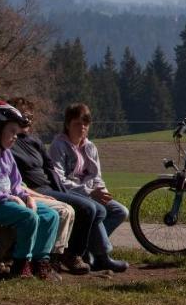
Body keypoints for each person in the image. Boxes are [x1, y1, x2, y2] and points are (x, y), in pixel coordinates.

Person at [6, 97, 108, 276]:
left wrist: (62, 190)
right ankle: (72, 255)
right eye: (23, 115)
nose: (27, 120)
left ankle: (89, 253)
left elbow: (50, 168)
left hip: (50, 188)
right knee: (87, 208)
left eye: (30, 116)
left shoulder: (33, 141)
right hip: (33, 190)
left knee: (100, 209)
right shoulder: (9, 140)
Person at [0, 100, 62, 280]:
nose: (15, 136)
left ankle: (40, 261)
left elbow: (16, 185)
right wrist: (11, 199)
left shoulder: (7, 154)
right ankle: (20, 265)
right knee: (28, 217)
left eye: (16, 132)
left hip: (7, 203)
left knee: (51, 216)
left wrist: (26, 198)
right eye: (11, 131)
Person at [50, 103, 129, 273]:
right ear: (67, 125)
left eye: (85, 123)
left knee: (120, 211)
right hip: (70, 193)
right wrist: (89, 192)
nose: (82, 127)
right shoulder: (58, 146)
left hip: (91, 192)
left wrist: (102, 191)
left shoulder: (90, 147)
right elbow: (59, 181)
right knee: (96, 209)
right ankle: (103, 256)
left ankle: (88, 249)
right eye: (77, 123)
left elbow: (96, 176)